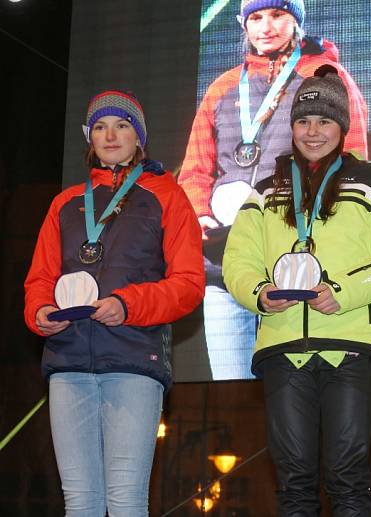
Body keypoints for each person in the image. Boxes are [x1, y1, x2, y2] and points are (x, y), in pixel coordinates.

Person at [222, 66, 371, 515]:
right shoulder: (263, 191)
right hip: (283, 345)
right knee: (293, 484)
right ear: (291, 127)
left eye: (324, 121)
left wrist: (343, 291)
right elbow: (237, 261)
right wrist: (259, 292)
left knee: (348, 480)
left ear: (343, 127)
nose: (313, 132)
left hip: (351, 346)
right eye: (303, 121)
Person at [23, 90, 205, 515]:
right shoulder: (65, 203)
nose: (111, 135)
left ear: (139, 138)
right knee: (80, 501)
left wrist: (128, 303)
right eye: (100, 127)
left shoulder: (167, 195)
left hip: (132, 360)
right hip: (68, 364)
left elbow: (190, 284)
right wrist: (39, 313)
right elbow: (40, 279)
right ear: (90, 138)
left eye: (122, 125)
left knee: (125, 500)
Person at [179, 0, 369, 380]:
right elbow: (196, 169)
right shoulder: (224, 87)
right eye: (256, 17)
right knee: (231, 389)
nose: (266, 26)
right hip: (227, 264)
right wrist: (198, 213)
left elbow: (353, 159)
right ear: (243, 25)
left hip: (297, 259)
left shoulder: (324, 76)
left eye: (278, 15)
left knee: (290, 390)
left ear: (296, 20)